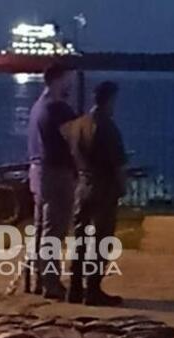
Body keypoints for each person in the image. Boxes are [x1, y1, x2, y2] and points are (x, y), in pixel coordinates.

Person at [65, 81, 127, 306]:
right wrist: (122, 186)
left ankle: (74, 286)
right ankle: (93, 288)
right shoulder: (108, 127)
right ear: (110, 99)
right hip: (103, 187)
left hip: (83, 185)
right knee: (102, 239)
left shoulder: (77, 125)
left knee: (79, 237)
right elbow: (118, 163)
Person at [27, 64, 78, 299]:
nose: (71, 84)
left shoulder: (38, 106)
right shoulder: (59, 110)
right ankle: (50, 282)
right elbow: (77, 140)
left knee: (41, 229)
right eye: (68, 79)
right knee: (54, 231)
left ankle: (39, 277)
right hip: (57, 173)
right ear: (59, 79)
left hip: (38, 172)